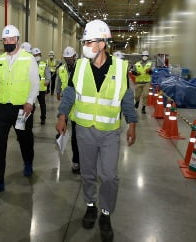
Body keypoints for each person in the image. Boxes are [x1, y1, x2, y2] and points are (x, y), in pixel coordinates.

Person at [55, 20, 137, 242]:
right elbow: (70, 93)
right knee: (88, 173)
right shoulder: (80, 66)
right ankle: (91, 205)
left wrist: (132, 123)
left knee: (110, 176)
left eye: (89, 41)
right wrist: (62, 115)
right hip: (83, 130)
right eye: (85, 41)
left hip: (110, 131)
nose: (86, 45)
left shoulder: (120, 68)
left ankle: (106, 214)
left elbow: (127, 98)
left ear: (102, 43)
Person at [0, 25, 39, 198]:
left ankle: (28, 161)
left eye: (11, 39)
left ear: (17, 39)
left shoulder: (28, 59)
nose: (8, 42)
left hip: (21, 109)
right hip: (1, 108)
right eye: (5, 40)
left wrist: (30, 102)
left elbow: (35, 83)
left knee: (24, 139)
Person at [55, 46, 80, 174]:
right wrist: (58, 92)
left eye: (70, 59)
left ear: (75, 57)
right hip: (66, 101)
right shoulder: (61, 69)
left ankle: (76, 161)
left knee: (76, 137)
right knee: (62, 121)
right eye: (66, 59)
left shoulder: (81, 69)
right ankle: (61, 134)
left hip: (77, 105)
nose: (68, 61)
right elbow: (59, 81)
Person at [32, 47, 50, 125]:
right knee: (31, 104)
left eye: (38, 54)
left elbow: (47, 74)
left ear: (40, 55)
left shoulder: (44, 64)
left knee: (42, 104)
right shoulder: (30, 64)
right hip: (32, 89)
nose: (37, 56)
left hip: (41, 88)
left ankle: (43, 118)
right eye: (35, 55)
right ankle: (30, 117)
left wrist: (47, 80)